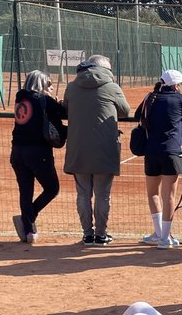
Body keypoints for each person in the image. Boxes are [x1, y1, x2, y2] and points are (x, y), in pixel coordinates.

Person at [63, 54, 131, 246]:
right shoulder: (111, 87)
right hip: (104, 147)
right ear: (105, 70)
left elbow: (66, 109)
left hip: (78, 147)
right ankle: (100, 234)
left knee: (83, 193)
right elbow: (125, 111)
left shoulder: (71, 86)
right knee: (103, 194)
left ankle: (87, 234)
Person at [137, 69, 182, 249]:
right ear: (176, 85)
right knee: (168, 195)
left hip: (151, 152)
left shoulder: (149, 98)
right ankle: (164, 237)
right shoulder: (181, 99)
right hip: (172, 153)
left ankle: (159, 234)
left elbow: (139, 115)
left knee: (153, 193)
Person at [9, 71, 66, 244]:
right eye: (49, 84)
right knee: (52, 188)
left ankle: (28, 231)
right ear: (41, 85)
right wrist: (57, 102)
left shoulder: (21, 99)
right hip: (38, 152)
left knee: (25, 191)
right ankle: (29, 217)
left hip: (18, 151)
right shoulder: (43, 100)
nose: (51, 87)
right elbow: (64, 113)